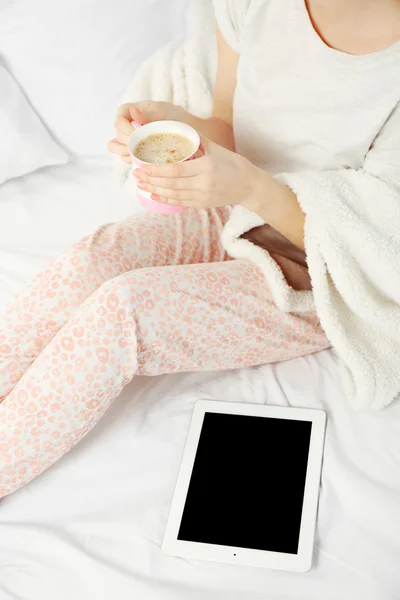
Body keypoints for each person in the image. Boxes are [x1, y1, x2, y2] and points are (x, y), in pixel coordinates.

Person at [1, 0, 399, 498]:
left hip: (319, 269)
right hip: (232, 205)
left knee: (124, 312)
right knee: (92, 261)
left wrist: (252, 188)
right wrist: (170, 124)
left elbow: (375, 241)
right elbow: (229, 129)